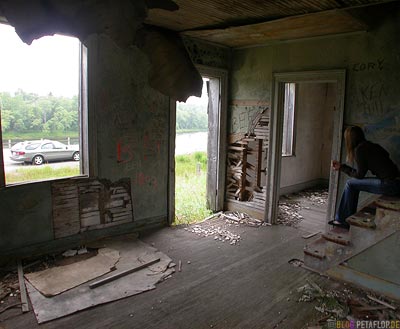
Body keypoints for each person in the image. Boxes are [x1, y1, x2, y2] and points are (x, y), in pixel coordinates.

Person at [329, 126, 400, 229]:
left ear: (350, 140)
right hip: (395, 182)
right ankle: (346, 218)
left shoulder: (360, 150)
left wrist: (342, 167)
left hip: (389, 184)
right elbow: (386, 155)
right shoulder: (372, 145)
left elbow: (359, 175)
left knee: (350, 184)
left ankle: (342, 220)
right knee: (353, 184)